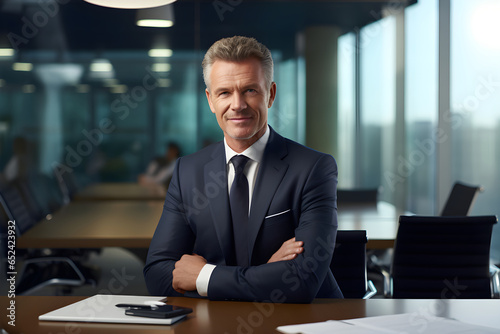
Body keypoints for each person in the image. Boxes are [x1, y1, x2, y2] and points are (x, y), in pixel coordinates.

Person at [144, 36, 342, 303]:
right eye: (224, 92)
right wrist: (264, 273)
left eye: (250, 90)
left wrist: (204, 277)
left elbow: (302, 281)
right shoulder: (187, 171)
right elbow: (157, 274)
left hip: (300, 323)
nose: (237, 104)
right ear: (210, 100)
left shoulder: (313, 169)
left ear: (270, 94)